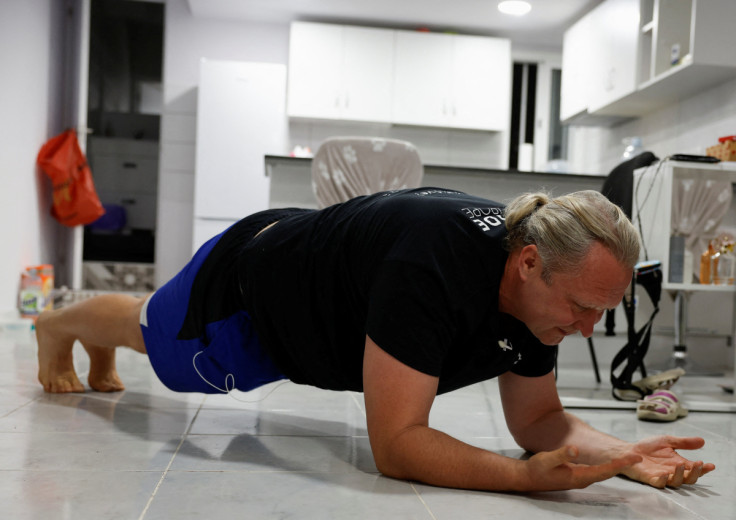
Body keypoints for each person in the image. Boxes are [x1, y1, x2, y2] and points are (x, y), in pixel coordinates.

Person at [36, 187, 715, 492]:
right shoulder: (435, 266)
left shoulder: (539, 294)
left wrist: (622, 454)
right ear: (530, 264)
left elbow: (538, 419)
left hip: (316, 278)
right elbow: (397, 447)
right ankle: (59, 324)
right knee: (154, 342)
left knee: (146, 337)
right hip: (251, 291)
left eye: (601, 312)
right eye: (581, 308)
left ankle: (90, 339)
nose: (587, 329)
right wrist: (519, 479)